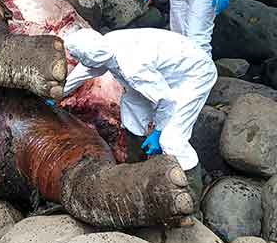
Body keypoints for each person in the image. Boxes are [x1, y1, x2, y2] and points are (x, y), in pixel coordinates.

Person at [60, 28, 217, 205]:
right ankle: (138, 170)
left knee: (172, 139)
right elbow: (85, 71)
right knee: (132, 113)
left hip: (193, 75)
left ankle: (190, 197)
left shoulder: (133, 68)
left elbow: (167, 101)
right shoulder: (105, 44)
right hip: (164, 68)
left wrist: (158, 132)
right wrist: (58, 94)